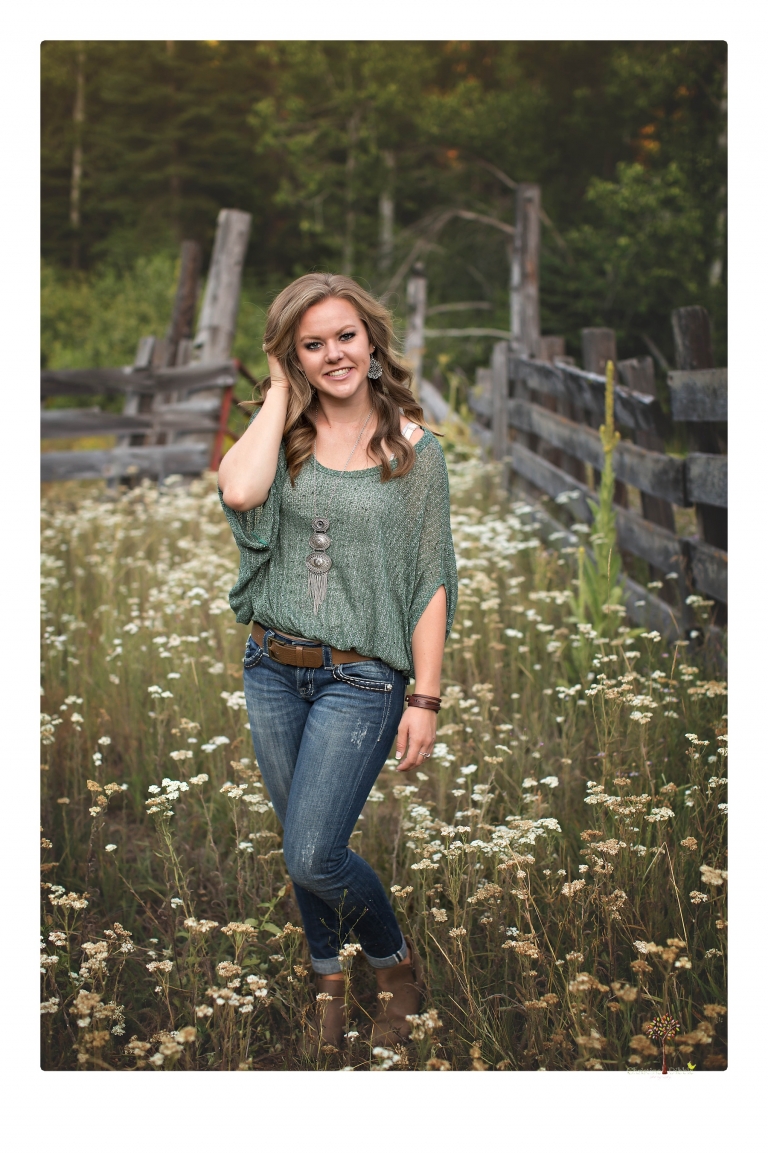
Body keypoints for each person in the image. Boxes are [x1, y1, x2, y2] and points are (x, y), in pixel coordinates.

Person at [218, 272, 457, 1052]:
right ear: (293, 357)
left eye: (345, 336)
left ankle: (394, 968)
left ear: (371, 340)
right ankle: (327, 978)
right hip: (271, 668)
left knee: (315, 852)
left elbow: (429, 579)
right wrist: (279, 391)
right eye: (312, 344)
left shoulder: (417, 450)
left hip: (362, 679)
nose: (335, 354)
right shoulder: (281, 436)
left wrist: (425, 698)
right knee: (301, 848)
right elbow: (240, 491)